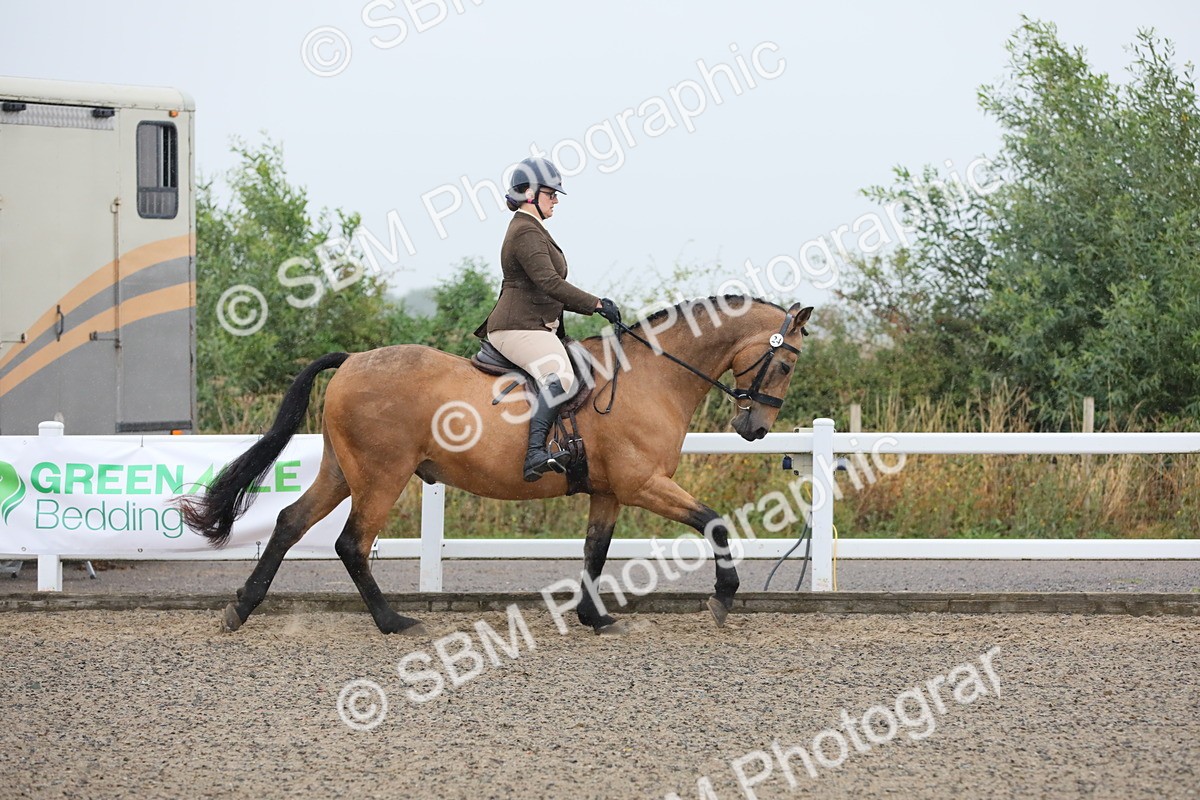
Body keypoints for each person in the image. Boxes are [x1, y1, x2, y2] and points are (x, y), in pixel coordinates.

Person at [473, 157, 622, 482]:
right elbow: (550, 283)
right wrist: (596, 304)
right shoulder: (525, 230)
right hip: (517, 327)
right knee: (562, 377)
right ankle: (535, 454)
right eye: (550, 193)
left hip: (534, 326)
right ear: (529, 193)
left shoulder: (533, 229)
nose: (555, 199)